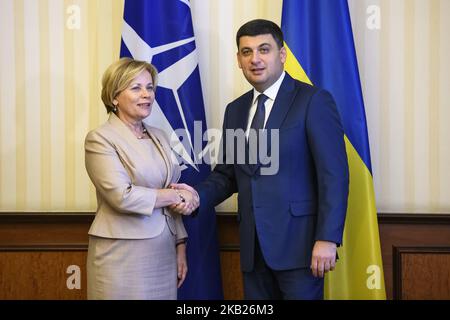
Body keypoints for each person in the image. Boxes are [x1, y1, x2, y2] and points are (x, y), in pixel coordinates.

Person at [172, 19, 349, 299]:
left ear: (281, 55)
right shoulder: (236, 110)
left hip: (301, 249)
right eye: (246, 52)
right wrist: (195, 195)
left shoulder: (313, 101)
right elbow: (227, 175)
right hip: (253, 250)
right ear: (239, 60)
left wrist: (327, 238)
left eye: (263, 49)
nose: (255, 59)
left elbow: (334, 175)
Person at [84, 57, 198, 300]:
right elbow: (121, 196)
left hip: (164, 252)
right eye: (136, 88)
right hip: (122, 255)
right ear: (114, 96)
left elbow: (171, 189)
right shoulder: (100, 139)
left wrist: (180, 245)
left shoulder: (159, 135)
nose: (146, 94)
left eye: (149, 87)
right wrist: (176, 195)